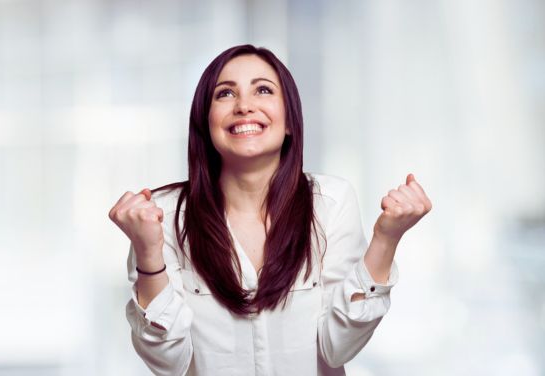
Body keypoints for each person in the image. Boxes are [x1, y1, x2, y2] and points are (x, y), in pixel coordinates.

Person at [108, 44, 432, 376]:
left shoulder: (330, 202)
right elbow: (168, 362)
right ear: (205, 123)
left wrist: (385, 239)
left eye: (263, 90)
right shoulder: (162, 217)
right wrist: (148, 253)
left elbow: (338, 348)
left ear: (290, 121)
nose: (244, 106)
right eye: (225, 94)